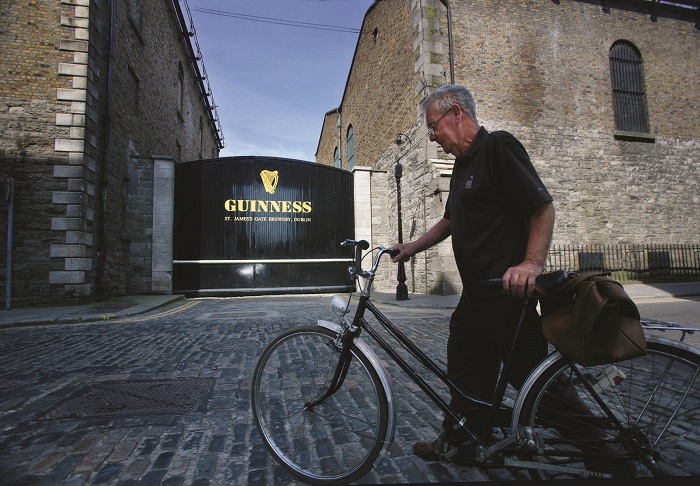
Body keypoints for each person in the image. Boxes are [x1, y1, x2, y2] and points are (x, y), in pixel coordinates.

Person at [391, 84, 555, 462]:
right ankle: (465, 438)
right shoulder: (464, 164)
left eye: (434, 126)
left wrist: (531, 263)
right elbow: (449, 220)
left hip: (507, 294)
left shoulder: (497, 148)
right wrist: (412, 246)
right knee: (466, 372)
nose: (433, 136)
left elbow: (541, 206)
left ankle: (606, 447)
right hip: (477, 296)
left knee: (533, 382)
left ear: (457, 114)